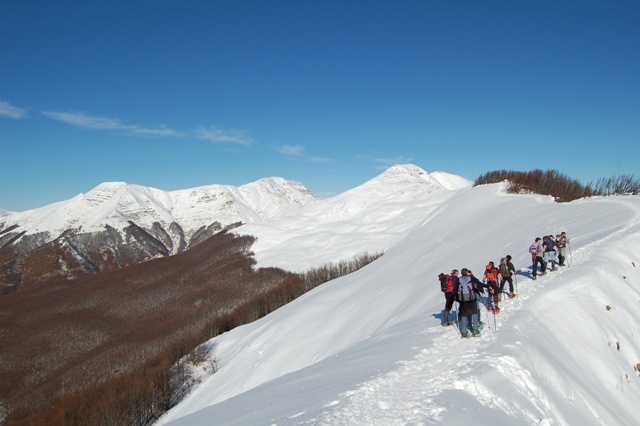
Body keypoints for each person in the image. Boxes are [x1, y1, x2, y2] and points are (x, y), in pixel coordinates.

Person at [455, 268, 485, 338]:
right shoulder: (471, 278)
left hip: (463, 300)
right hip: (472, 298)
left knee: (464, 314)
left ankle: (464, 332)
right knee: (475, 312)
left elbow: (455, 289)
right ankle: (475, 330)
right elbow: (479, 284)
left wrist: (456, 296)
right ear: (467, 272)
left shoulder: (459, 280)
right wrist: (484, 289)